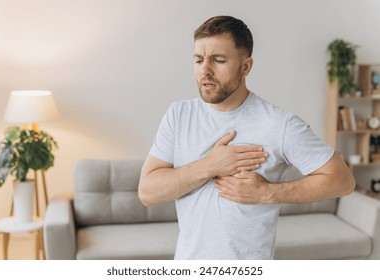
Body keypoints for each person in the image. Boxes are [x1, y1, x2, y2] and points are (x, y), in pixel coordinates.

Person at [138, 15, 355, 260]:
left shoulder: (279, 124)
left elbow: (343, 180)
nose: (205, 70)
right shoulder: (178, 115)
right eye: (198, 60)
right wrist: (210, 165)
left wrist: (269, 193)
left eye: (218, 60)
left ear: (246, 67)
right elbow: (147, 192)